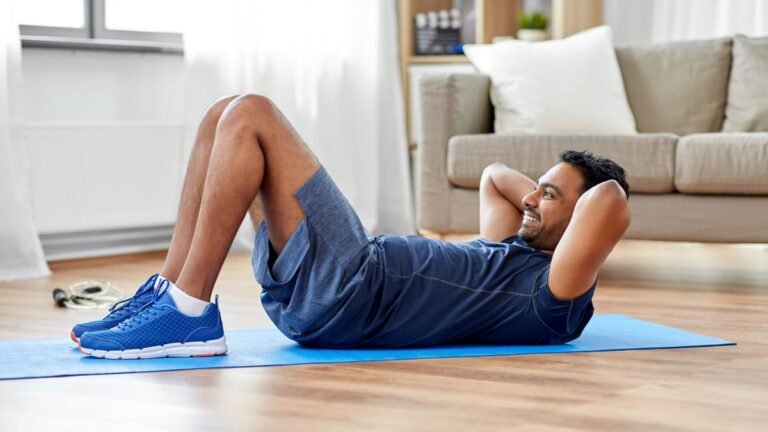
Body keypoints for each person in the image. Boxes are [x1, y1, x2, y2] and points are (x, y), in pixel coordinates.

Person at [72, 95, 631, 359]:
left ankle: (188, 313)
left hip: (359, 284)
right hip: (328, 294)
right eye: (538, 187)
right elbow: (493, 176)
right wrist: (549, 196)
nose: (530, 197)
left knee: (253, 114)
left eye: (550, 196)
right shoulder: (509, 250)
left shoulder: (552, 295)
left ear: (583, 223)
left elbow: (610, 199)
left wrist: (579, 192)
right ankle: (169, 293)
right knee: (221, 115)